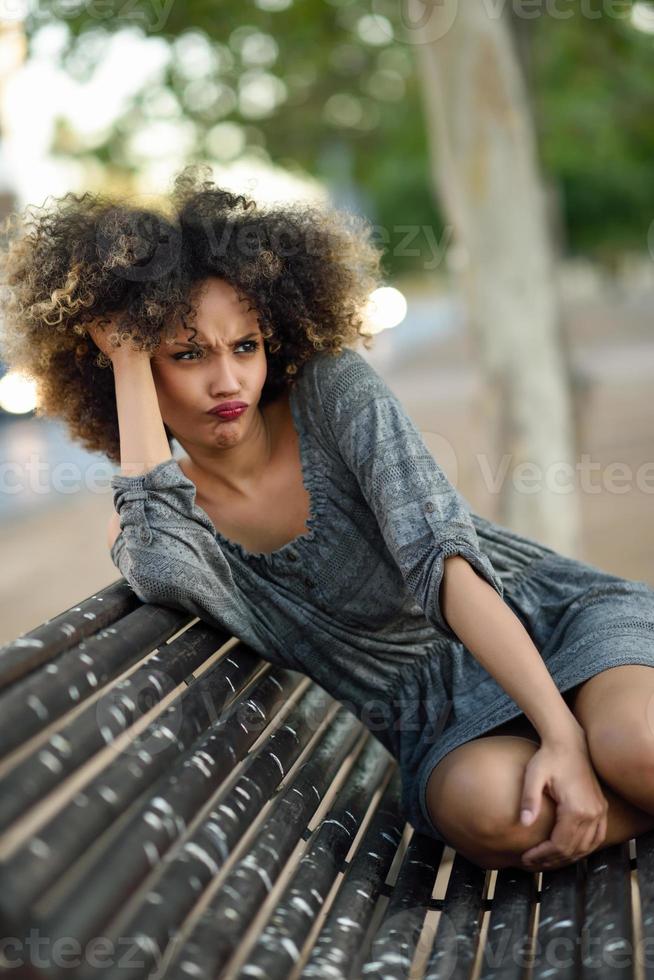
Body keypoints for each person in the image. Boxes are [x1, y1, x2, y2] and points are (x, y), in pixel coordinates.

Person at [3, 164, 654, 874]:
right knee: (501, 814)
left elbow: (444, 562)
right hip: (429, 715)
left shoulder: (330, 392)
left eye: (244, 346)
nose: (227, 380)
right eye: (187, 355)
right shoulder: (153, 526)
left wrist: (561, 734)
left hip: (548, 624)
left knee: (635, 746)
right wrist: (128, 359)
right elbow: (161, 562)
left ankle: (611, 770)